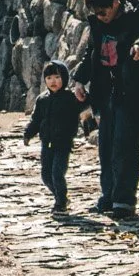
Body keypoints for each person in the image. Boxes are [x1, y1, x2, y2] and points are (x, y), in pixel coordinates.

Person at [72, 0, 139, 220]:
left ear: (115, 4)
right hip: (106, 95)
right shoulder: (99, 25)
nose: (100, 16)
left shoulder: (135, 20)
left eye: (103, 11)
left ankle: (123, 200)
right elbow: (90, 54)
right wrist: (79, 81)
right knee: (107, 147)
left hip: (132, 94)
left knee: (126, 146)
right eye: (95, 13)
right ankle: (108, 196)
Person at [22, 58, 89, 213]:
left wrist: (84, 95)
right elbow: (36, 120)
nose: (53, 81)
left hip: (63, 143)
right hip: (47, 143)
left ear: (64, 79)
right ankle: (60, 196)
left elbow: (85, 102)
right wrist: (28, 133)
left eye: (57, 77)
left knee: (57, 173)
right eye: (49, 78)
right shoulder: (42, 100)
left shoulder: (70, 98)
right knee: (46, 176)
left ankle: (60, 201)